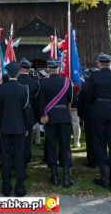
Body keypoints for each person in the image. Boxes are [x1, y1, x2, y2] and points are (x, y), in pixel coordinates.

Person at [88, 53, 111, 189]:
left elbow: (90, 95)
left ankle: (105, 178)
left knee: (99, 142)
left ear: (99, 64)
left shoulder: (95, 76)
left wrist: (95, 104)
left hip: (99, 111)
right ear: (109, 64)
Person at [38, 59, 73, 187]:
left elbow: (41, 103)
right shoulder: (66, 82)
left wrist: (43, 116)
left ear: (48, 69)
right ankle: (66, 178)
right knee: (65, 147)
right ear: (58, 69)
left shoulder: (43, 83)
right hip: (64, 116)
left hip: (50, 118)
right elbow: (70, 99)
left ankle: (54, 177)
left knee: (51, 146)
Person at [0, 61, 29, 197]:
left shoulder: (1, 89)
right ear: (18, 73)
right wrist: (27, 127)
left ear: (8, 73)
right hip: (19, 127)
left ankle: (6, 188)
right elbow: (26, 111)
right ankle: (20, 188)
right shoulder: (24, 88)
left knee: (5, 158)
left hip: (4, 127)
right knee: (19, 158)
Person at [17, 57, 40, 169]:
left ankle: (15, 160)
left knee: (14, 139)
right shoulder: (35, 83)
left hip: (15, 113)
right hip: (29, 113)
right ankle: (24, 161)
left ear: (20, 67)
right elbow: (36, 101)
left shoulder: (13, 79)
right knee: (27, 139)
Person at [77, 68, 97, 168]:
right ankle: (100, 159)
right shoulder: (99, 85)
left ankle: (92, 161)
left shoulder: (85, 86)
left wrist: (81, 115)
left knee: (90, 139)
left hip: (88, 116)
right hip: (100, 115)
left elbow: (80, 102)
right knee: (100, 138)